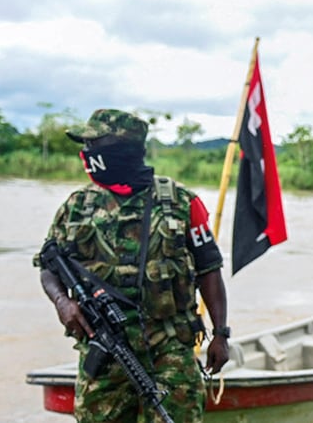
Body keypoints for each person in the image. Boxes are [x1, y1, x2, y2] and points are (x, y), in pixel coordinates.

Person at [34, 108, 230, 422]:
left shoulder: (180, 202)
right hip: (103, 349)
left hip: (169, 349)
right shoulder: (76, 206)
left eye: (94, 145)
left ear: (121, 150)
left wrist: (220, 334)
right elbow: (48, 266)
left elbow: (210, 269)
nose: (87, 153)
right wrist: (62, 302)